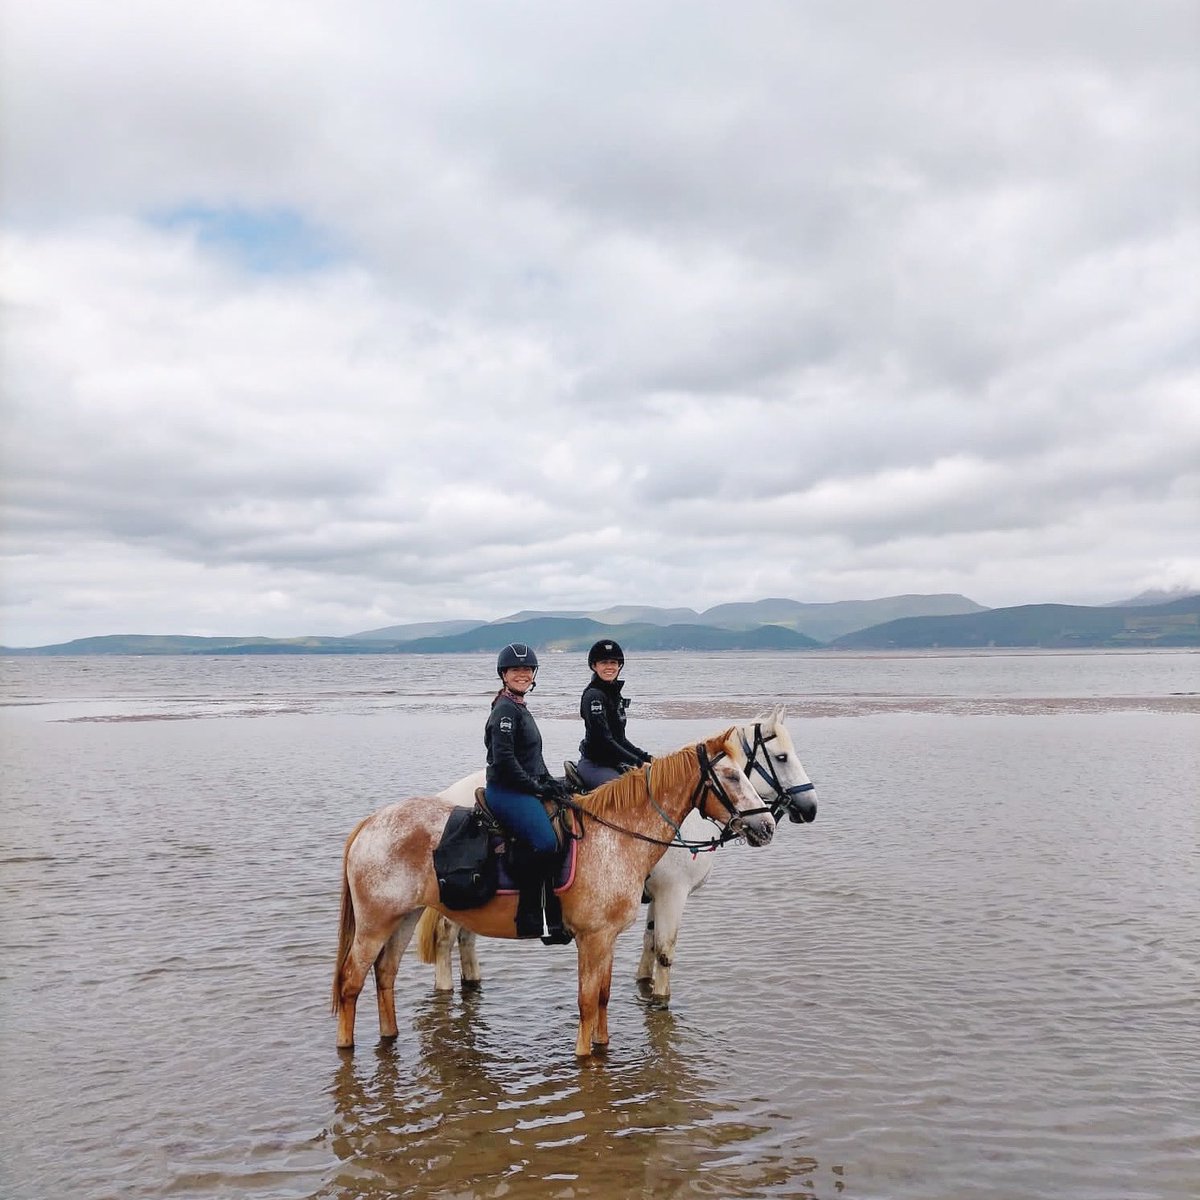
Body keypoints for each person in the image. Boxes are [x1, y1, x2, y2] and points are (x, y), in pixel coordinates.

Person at [484, 642, 572, 945]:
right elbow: (505, 762)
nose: (522, 674)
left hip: (523, 786)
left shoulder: (519, 706)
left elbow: (533, 757)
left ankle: (557, 912)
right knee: (546, 842)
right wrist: (536, 788)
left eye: (527, 669)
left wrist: (551, 782)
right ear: (504, 674)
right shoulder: (505, 711)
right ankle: (529, 914)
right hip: (506, 791)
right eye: (516, 670)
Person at [576, 638, 653, 790]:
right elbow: (604, 739)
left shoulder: (614, 695)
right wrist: (637, 762)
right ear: (594, 666)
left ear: (619, 666)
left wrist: (647, 757)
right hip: (595, 765)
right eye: (604, 663)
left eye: (613, 663)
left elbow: (620, 739)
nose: (609, 667)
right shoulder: (594, 697)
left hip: (614, 763)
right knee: (625, 792)